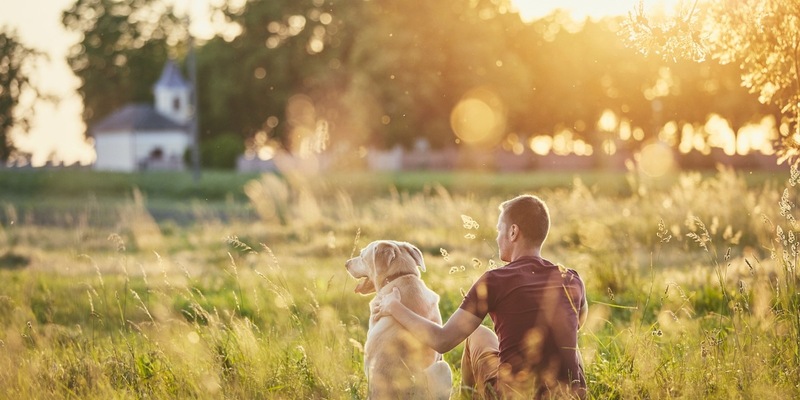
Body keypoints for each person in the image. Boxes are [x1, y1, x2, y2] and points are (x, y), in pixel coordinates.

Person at [373, 194, 588, 399]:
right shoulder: (571, 278)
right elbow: (576, 325)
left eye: (499, 229)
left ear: (513, 232)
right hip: (569, 395)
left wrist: (394, 306)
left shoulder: (495, 280)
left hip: (515, 395)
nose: (497, 237)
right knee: (569, 348)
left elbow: (442, 340)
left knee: (474, 336)